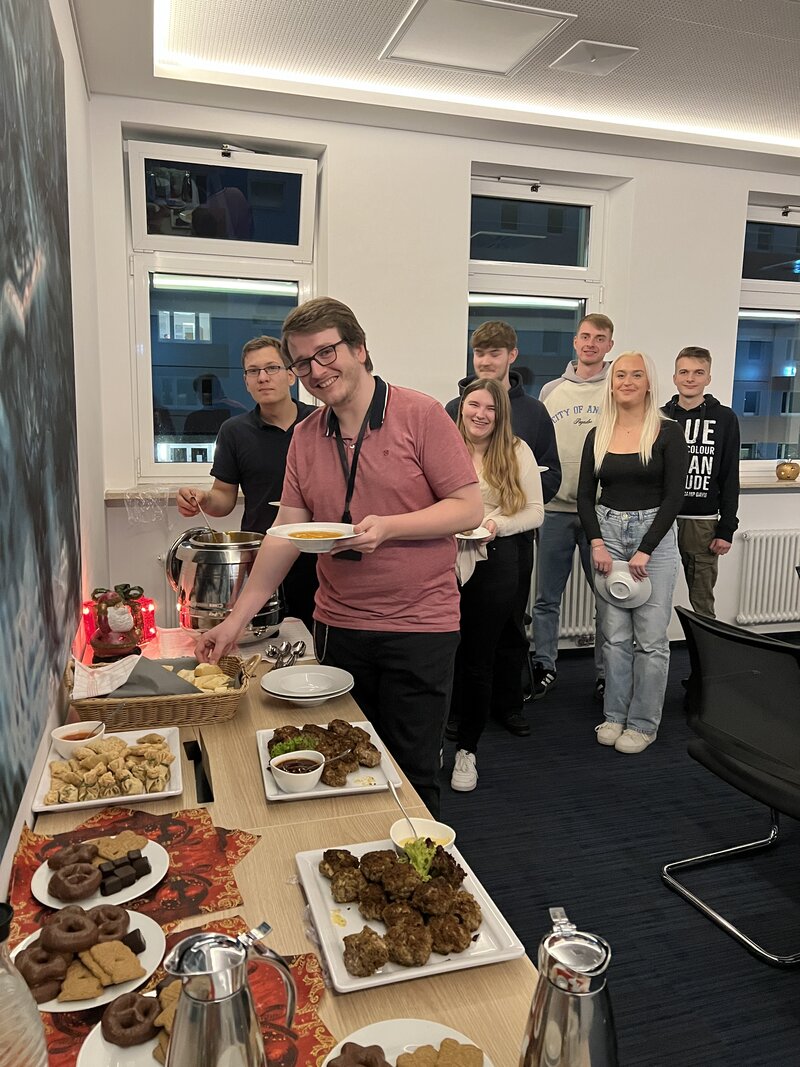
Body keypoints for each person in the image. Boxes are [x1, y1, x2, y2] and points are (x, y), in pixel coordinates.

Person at [193, 297, 483, 815]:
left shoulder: (421, 415)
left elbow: (467, 508)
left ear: (360, 349)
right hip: (339, 626)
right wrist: (235, 621)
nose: (316, 371)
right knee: (344, 764)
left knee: (413, 770)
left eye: (326, 353)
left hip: (419, 626)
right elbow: (285, 533)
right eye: (302, 362)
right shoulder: (305, 437)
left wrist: (389, 529)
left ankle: (418, 855)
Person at [445, 320, 560, 737]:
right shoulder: (449, 416)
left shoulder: (530, 419)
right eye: (480, 352)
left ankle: (508, 704)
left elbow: (546, 483)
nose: (481, 414)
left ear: (511, 356)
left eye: (494, 352)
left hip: (508, 544)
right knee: (457, 633)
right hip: (453, 550)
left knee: (509, 627)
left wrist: (501, 519)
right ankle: (458, 709)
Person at [577, 352, 689, 753]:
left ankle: (642, 724)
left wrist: (646, 549)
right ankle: (614, 716)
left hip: (653, 536)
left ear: (648, 383)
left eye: (636, 375)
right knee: (614, 637)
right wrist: (596, 542)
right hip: (607, 534)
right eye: (620, 374)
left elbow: (675, 496)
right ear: (611, 383)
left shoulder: (668, 432)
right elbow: (585, 497)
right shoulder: (598, 433)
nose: (627, 381)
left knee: (651, 640)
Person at [177, 335, 318, 629]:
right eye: (253, 371)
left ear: (291, 374)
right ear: (246, 381)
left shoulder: (318, 423)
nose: (263, 377)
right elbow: (223, 498)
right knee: (260, 640)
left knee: (319, 643)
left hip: (317, 558)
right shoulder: (234, 431)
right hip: (261, 557)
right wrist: (203, 499)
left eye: (272, 368)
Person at [449, 379, 544, 792]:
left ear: (501, 414)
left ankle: (467, 750)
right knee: (440, 651)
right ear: (462, 407)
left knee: (479, 656)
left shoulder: (516, 450)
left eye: (490, 408)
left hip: (496, 558)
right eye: (474, 405)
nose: (481, 414)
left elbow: (536, 512)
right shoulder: (445, 444)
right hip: (443, 559)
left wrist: (496, 524)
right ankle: (439, 732)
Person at [531, 314, 615, 703]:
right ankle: (544, 666)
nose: (591, 343)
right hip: (554, 510)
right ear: (575, 342)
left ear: (609, 345)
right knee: (546, 598)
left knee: (608, 599)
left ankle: (605, 674)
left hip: (601, 513)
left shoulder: (616, 389)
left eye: (599, 338)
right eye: (585, 336)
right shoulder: (552, 390)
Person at [661, 347, 740, 618]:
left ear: (708, 378)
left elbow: (730, 475)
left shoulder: (725, 418)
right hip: (661, 519)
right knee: (653, 596)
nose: (690, 378)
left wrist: (726, 528)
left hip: (702, 523)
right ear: (674, 377)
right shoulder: (659, 417)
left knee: (703, 602)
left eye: (698, 372)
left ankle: (708, 646)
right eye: (684, 372)